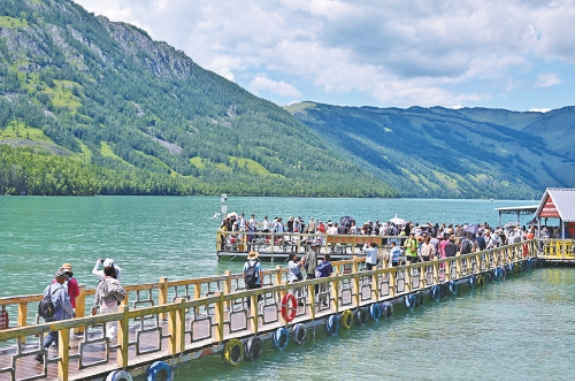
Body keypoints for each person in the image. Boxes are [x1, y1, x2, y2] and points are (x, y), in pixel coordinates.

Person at [35, 269, 75, 364]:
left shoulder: (48, 287)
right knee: (56, 335)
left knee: (52, 334)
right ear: (61, 279)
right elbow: (65, 304)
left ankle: (42, 354)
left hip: (48, 315)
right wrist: (72, 313)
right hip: (58, 317)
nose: (65, 279)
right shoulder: (61, 290)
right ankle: (60, 356)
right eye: (64, 278)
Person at [91, 266, 125, 340]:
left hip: (102, 306)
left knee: (104, 323)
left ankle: (104, 338)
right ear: (113, 273)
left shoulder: (100, 283)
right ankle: (109, 339)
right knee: (112, 324)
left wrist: (95, 307)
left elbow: (97, 296)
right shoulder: (115, 282)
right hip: (112, 306)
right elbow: (122, 292)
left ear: (104, 273)